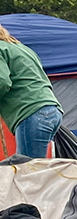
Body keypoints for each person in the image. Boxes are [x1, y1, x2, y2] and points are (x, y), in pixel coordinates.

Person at [0, 23, 63, 158]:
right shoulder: (20, 47)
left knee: (28, 171)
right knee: (36, 168)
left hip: (30, 113)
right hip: (52, 110)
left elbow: (2, 82)